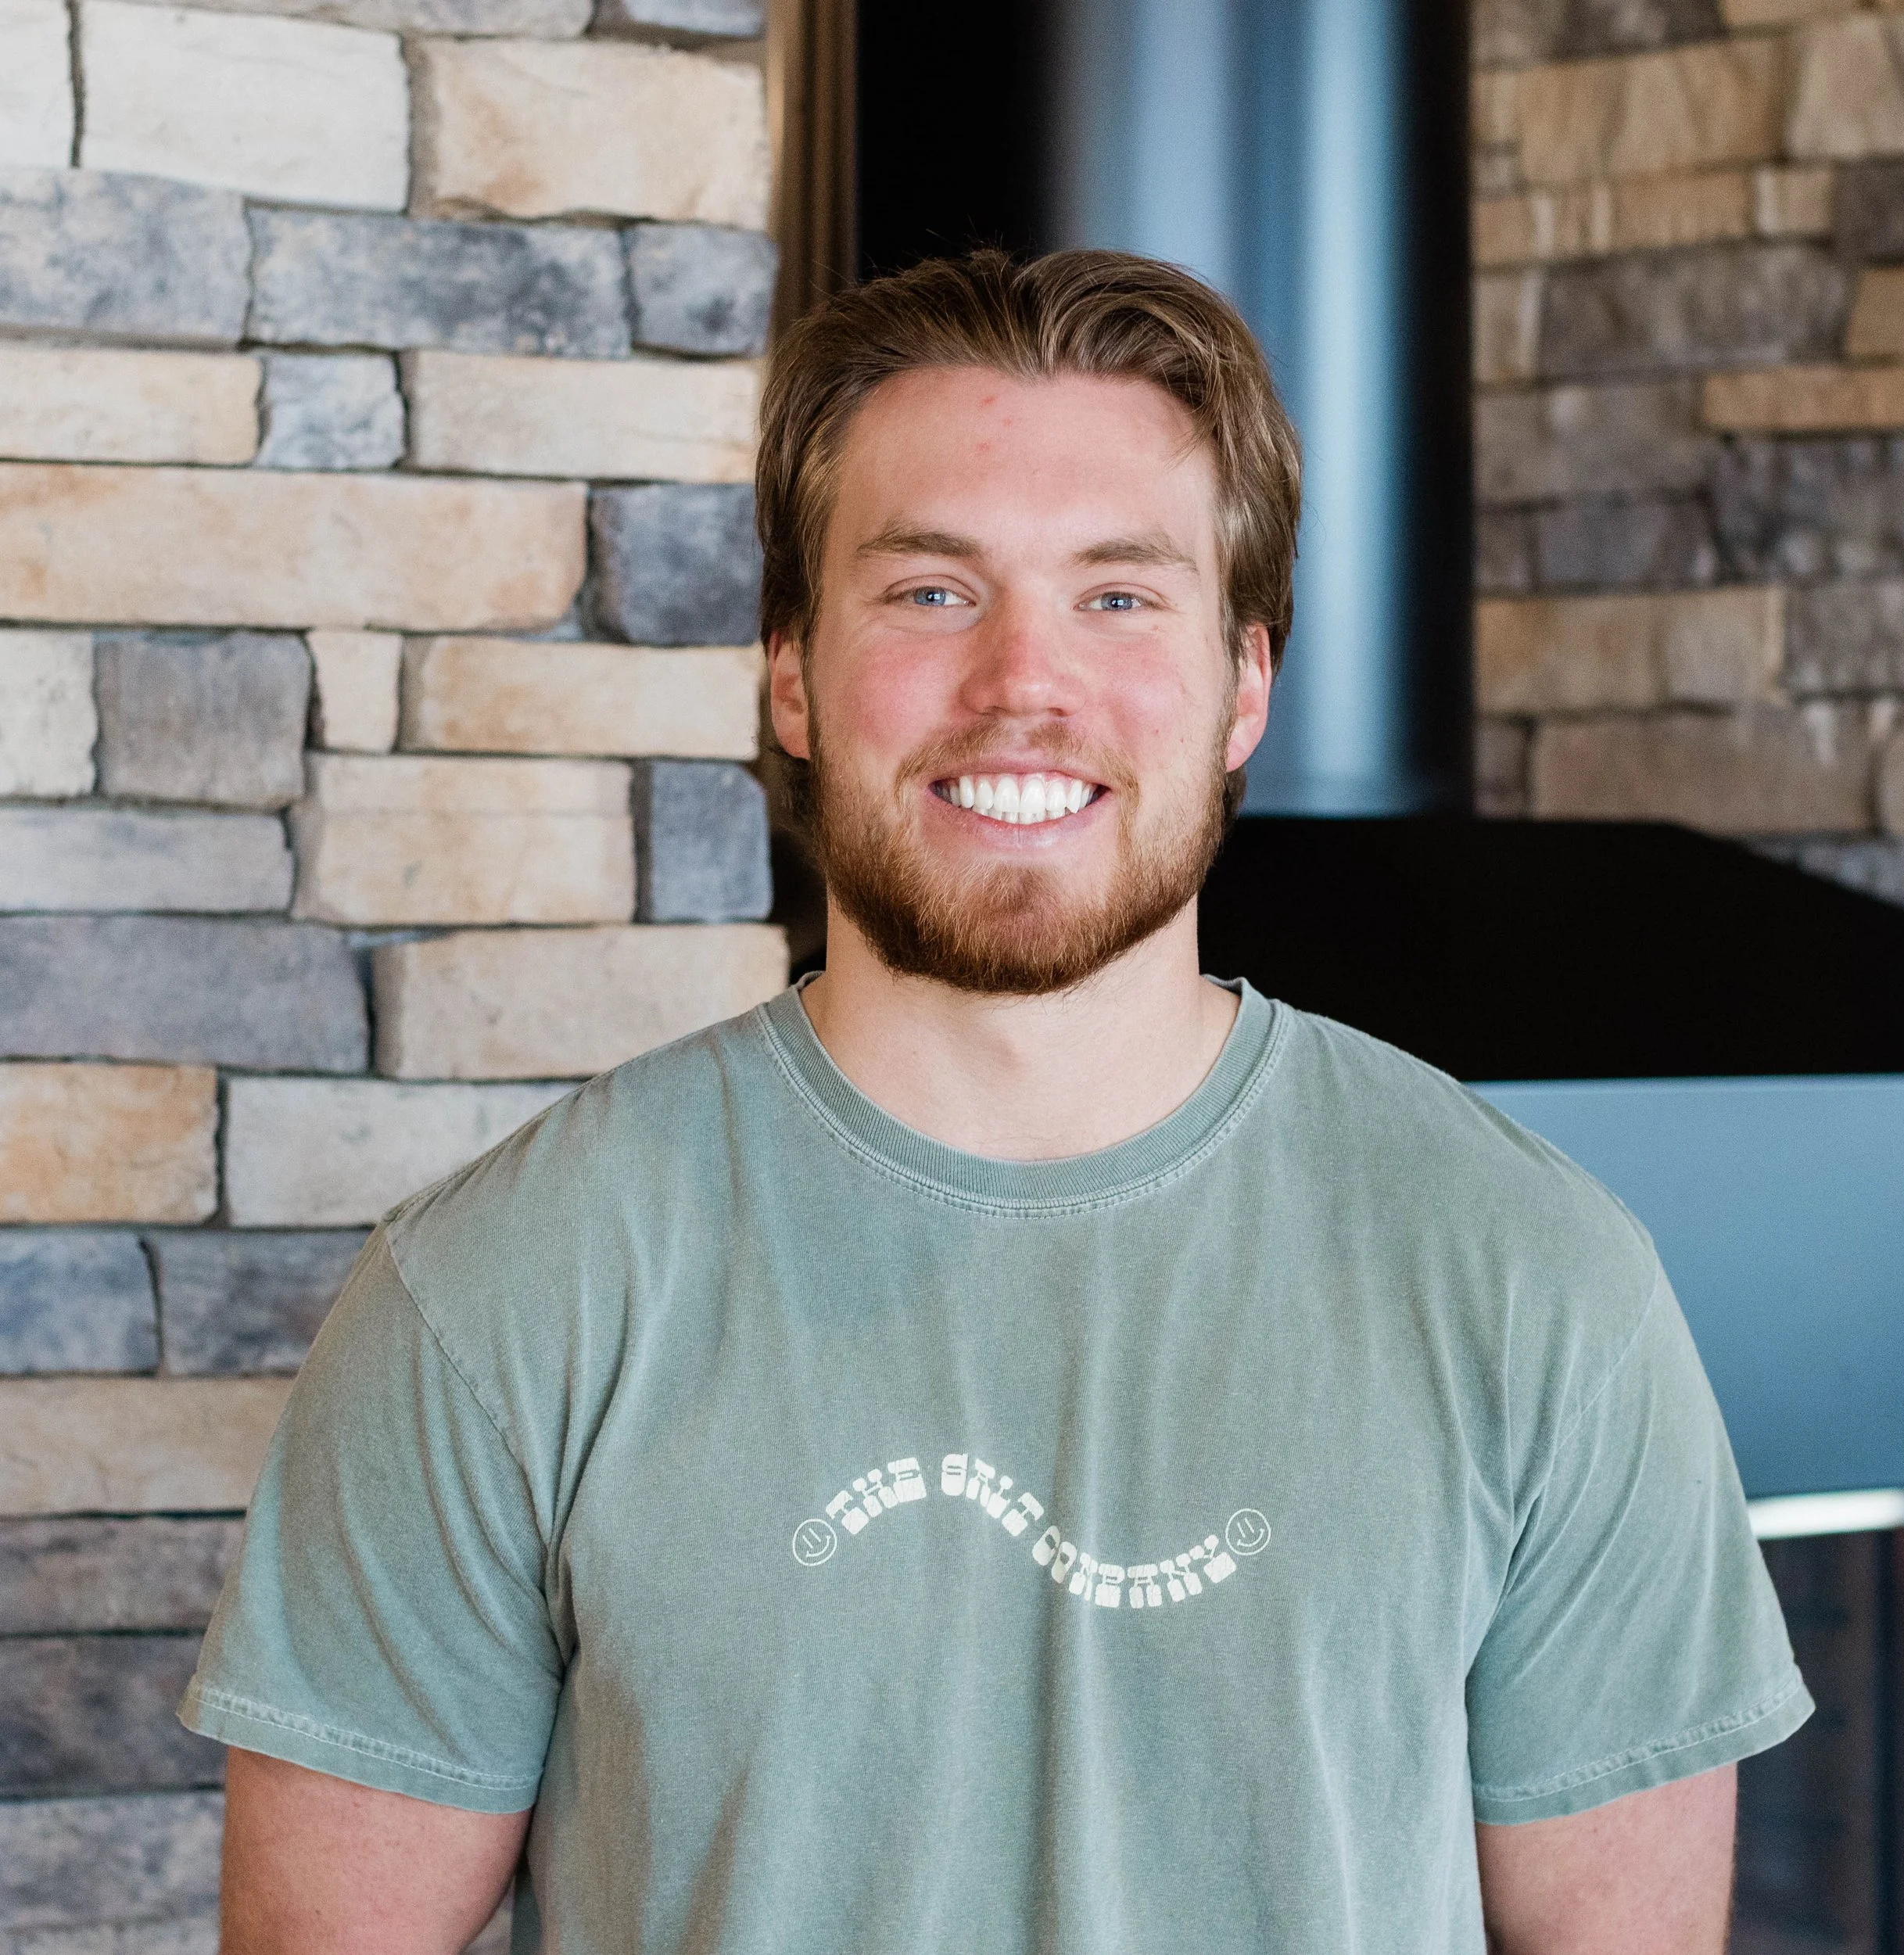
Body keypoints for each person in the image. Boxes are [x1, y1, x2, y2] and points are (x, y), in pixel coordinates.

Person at [186, 249, 1811, 1954]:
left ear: (1244, 683)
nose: (1024, 682)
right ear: (793, 672)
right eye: (929, 592)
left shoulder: (1533, 1278)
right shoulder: (501, 1292)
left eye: (1119, 596)